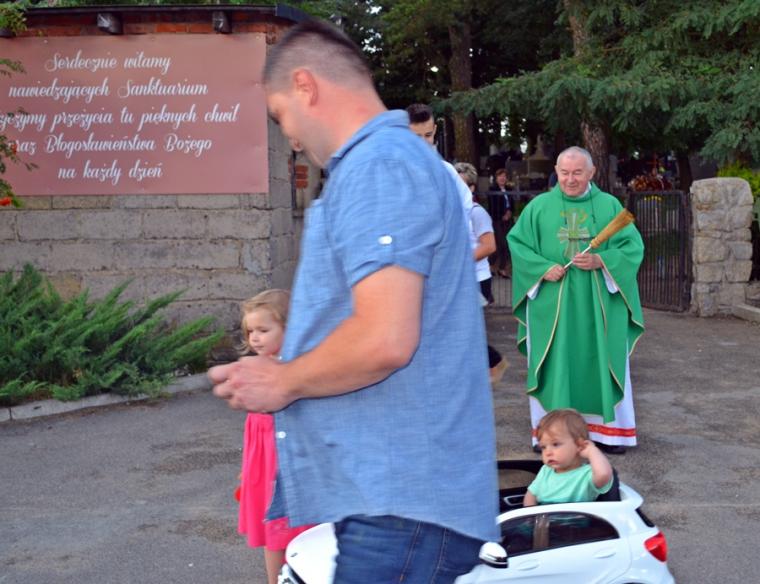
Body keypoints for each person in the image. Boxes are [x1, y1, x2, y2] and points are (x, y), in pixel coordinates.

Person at [210, 19, 498, 583]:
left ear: (306, 85)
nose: (290, 136)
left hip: (399, 504)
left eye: (281, 115)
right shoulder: (382, 165)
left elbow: (384, 337)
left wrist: (284, 380)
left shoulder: (379, 166)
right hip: (394, 501)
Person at [507, 146, 644, 455]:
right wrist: (541, 269)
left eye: (578, 173)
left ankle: (610, 434)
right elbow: (518, 245)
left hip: (599, 305)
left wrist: (601, 260)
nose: (570, 180)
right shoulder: (538, 207)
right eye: (565, 173)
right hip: (552, 305)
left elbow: (632, 248)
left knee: (601, 359)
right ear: (556, 172)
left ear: (592, 172)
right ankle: (551, 436)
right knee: (556, 365)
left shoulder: (609, 207)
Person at [236, 290, 312, 584]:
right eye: (250, 331)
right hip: (262, 466)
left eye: (263, 330)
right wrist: (246, 470)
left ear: (289, 327)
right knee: (272, 530)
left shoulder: (298, 370)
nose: (254, 338)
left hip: (291, 464)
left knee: (297, 528)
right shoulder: (254, 371)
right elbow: (253, 435)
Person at [455, 161, 509, 385]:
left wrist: (457, 261)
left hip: (477, 280)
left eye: (460, 184)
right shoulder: (453, 212)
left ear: (472, 188)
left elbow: (489, 246)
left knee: (464, 327)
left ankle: (493, 362)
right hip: (462, 279)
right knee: (462, 327)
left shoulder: (477, 213)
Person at [523, 408, 614, 506]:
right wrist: (530, 512)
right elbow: (531, 495)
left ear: (579, 445)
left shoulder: (586, 474)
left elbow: (604, 474)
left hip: (573, 516)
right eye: (543, 447)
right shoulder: (546, 471)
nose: (547, 452)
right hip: (545, 515)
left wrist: (592, 451)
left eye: (555, 444)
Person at [488, 168, 513, 278]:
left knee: (507, 244)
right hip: (497, 220)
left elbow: (512, 203)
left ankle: (502, 269)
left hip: (508, 220)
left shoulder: (509, 189)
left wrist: (509, 212)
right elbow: (492, 206)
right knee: (500, 244)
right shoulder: (492, 189)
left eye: (504, 176)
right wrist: (502, 215)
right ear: (496, 178)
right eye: (500, 176)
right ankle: (491, 266)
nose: (502, 178)